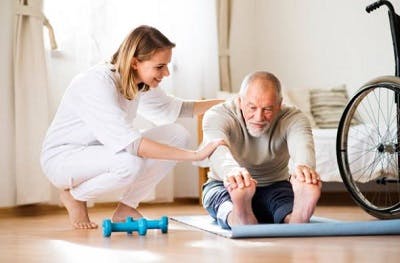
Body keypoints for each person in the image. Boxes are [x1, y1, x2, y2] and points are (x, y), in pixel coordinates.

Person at [40, 25, 224, 229]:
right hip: (64, 158)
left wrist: (228, 104)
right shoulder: (96, 83)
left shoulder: (137, 80)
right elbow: (132, 144)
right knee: (129, 163)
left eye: (167, 66)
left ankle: (127, 207)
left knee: (177, 134)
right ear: (136, 62)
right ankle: (74, 196)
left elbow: (177, 108)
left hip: (102, 150)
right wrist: (195, 155)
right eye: (160, 66)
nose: (167, 73)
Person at [201, 71, 322, 229]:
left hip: (275, 186)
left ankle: (297, 217)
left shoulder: (293, 117)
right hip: (225, 186)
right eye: (252, 107)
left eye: (267, 109)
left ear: (280, 105)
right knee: (219, 201)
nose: (259, 117)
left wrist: (304, 168)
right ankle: (238, 216)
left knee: (284, 201)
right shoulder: (217, 115)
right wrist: (233, 173)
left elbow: (302, 144)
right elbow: (217, 150)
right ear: (239, 101)